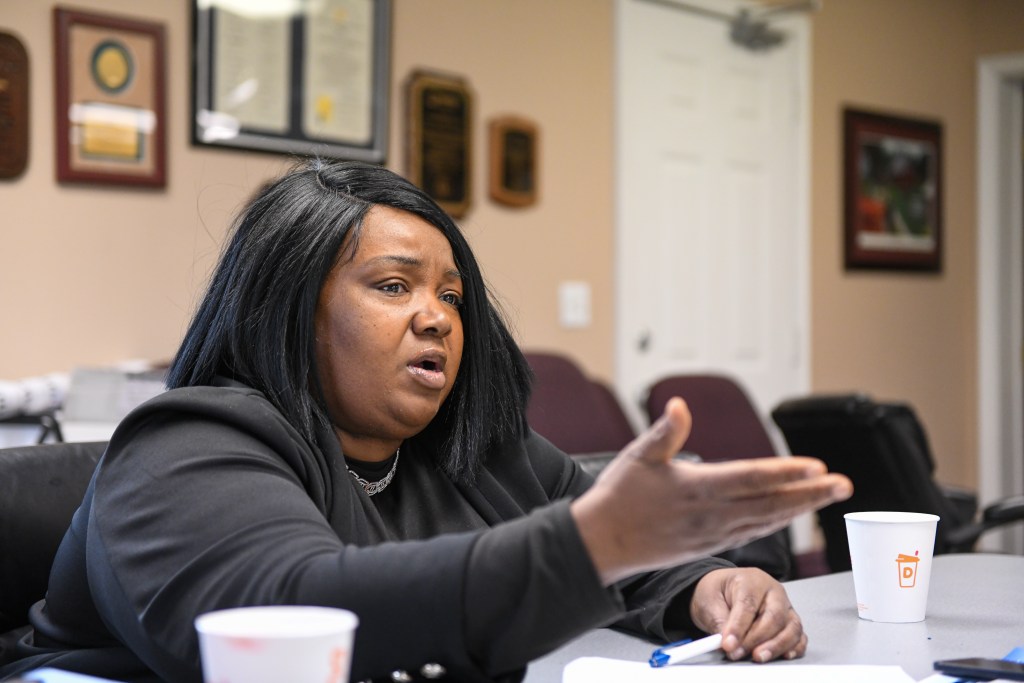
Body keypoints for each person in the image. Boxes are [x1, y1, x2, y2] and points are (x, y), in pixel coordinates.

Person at [0, 160, 852, 683]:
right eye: (393, 285)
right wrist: (595, 541)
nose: (439, 317)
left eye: (451, 294)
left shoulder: (477, 451)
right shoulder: (186, 446)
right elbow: (297, 618)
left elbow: (609, 554)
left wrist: (704, 585)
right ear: (288, 307)